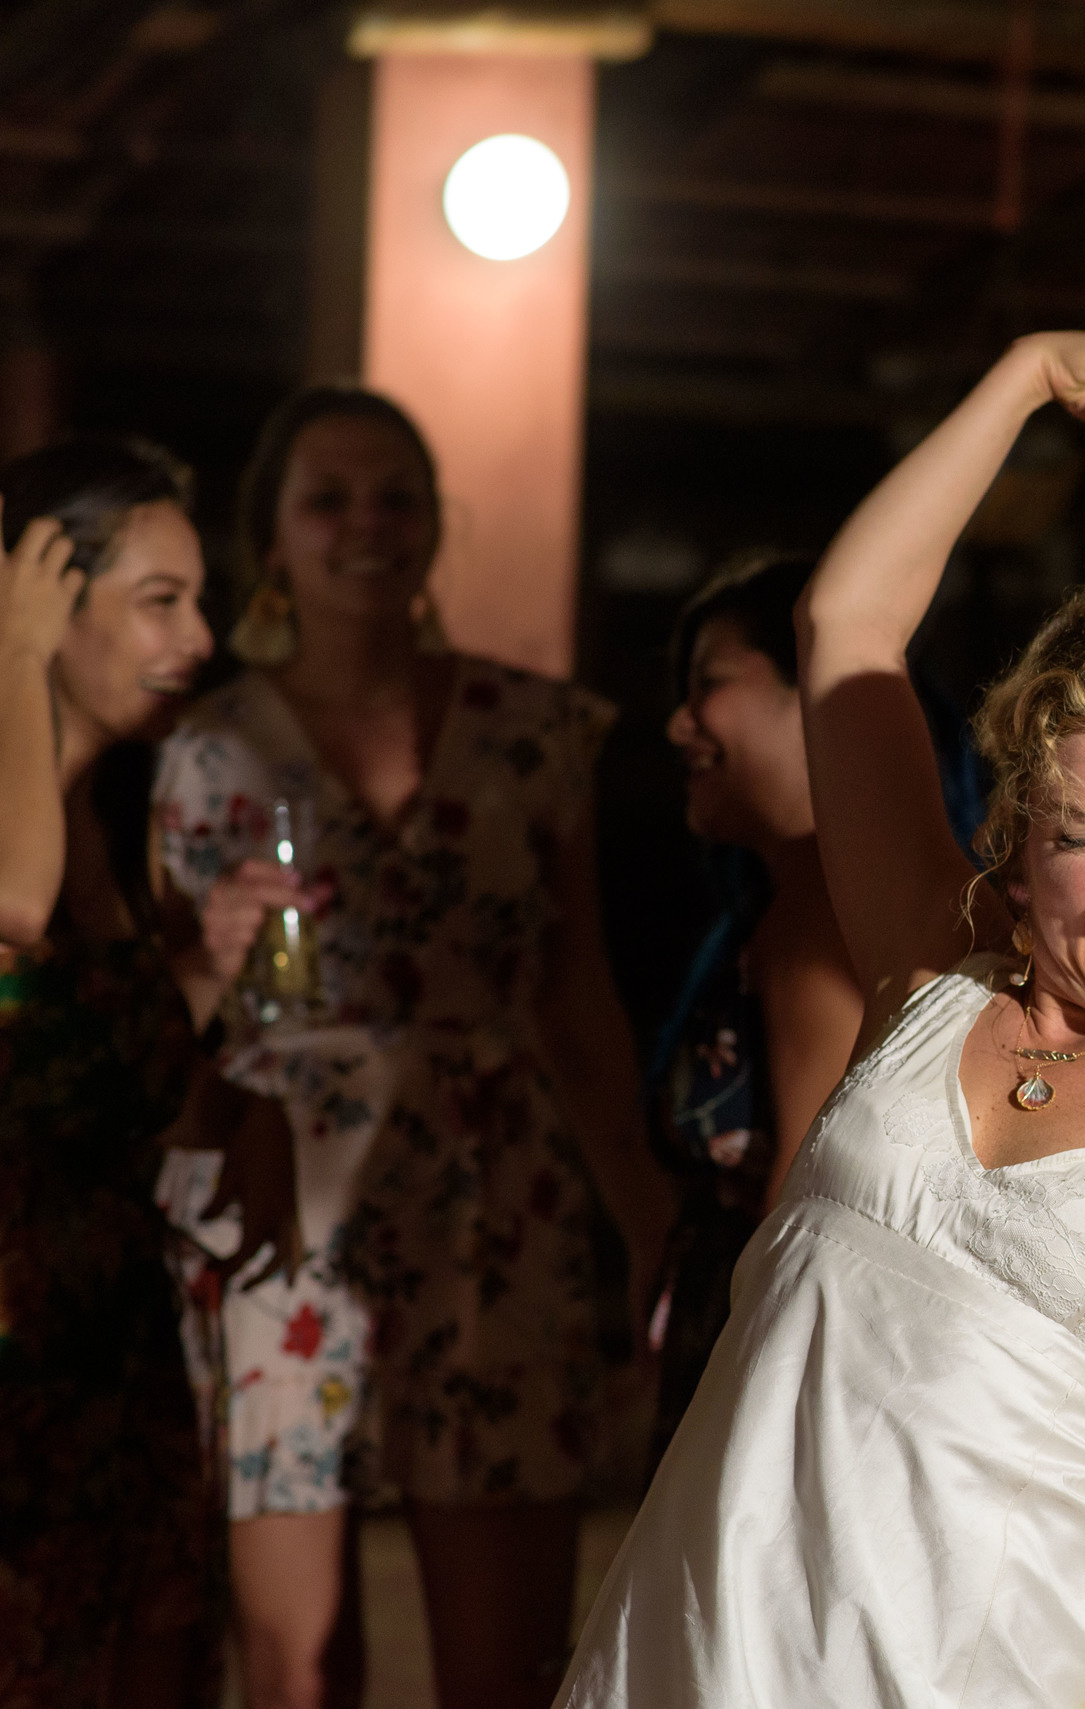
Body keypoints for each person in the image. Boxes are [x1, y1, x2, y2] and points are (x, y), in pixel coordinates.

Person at [559, 332, 1085, 1708]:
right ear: (1017, 852)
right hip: (706, 1655)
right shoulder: (935, 972)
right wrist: (1020, 378)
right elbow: (847, 628)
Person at [152, 387, 674, 1709]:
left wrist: (649, 1217)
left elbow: (578, 996)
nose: (368, 523)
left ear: (439, 524)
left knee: (507, 1668)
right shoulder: (205, 748)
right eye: (330, 498)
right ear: (271, 534)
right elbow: (170, 1026)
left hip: (495, 1192)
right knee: (295, 1662)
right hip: (280, 1196)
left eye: (399, 495)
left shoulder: (535, 729)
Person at [0, 439, 294, 1707]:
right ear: (46, 591)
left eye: (199, 598)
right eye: (157, 599)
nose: (199, 632)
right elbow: (11, 907)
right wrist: (8, 652)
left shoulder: (121, 815)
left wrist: (236, 1096)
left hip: (109, 1337)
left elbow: (101, 1088)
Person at [645, 551, 865, 1464]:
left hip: (774, 1351)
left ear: (807, 689)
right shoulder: (786, 897)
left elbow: (809, 1192)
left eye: (712, 685)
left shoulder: (822, 907)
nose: (678, 723)